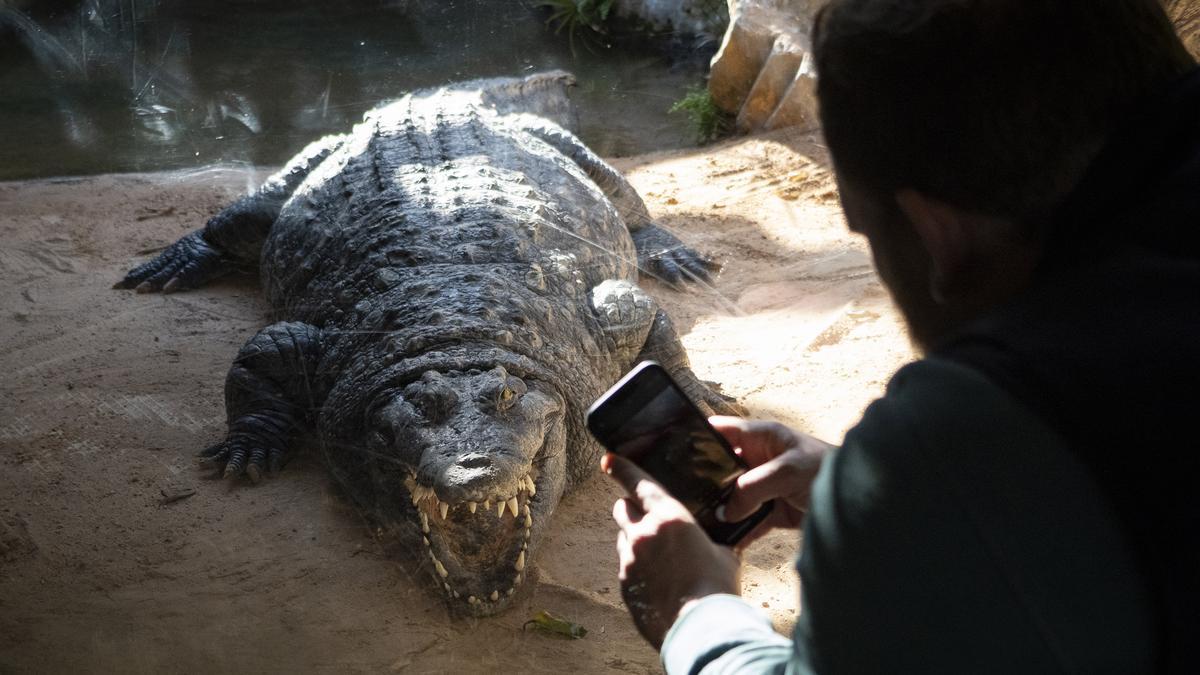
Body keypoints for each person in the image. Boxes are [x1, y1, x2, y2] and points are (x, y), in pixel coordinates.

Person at [604, 0, 1200, 672]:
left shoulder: (959, 437)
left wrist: (696, 609)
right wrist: (858, 479)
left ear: (935, 232)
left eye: (864, 229)